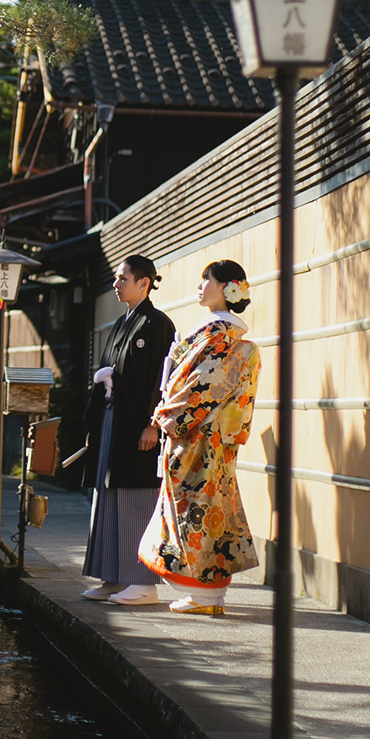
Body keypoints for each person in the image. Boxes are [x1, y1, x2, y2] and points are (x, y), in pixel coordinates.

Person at [139, 259, 261, 616]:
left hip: (198, 440)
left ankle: (204, 595)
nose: (200, 285)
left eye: (206, 279)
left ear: (227, 288)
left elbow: (202, 387)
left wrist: (166, 415)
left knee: (195, 511)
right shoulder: (220, 336)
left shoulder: (222, 338)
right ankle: (206, 596)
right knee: (207, 511)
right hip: (208, 440)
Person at [79, 254, 176, 607]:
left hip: (138, 424)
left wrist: (153, 424)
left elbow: (161, 381)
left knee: (136, 499)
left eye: (122, 279)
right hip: (111, 421)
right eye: (117, 278)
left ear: (144, 283)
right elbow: (106, 371)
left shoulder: (157, 324)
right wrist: (94, 425)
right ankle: (112, 575)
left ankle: (142, 581)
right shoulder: (121, 324)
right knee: (107, 497)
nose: (116, 284)